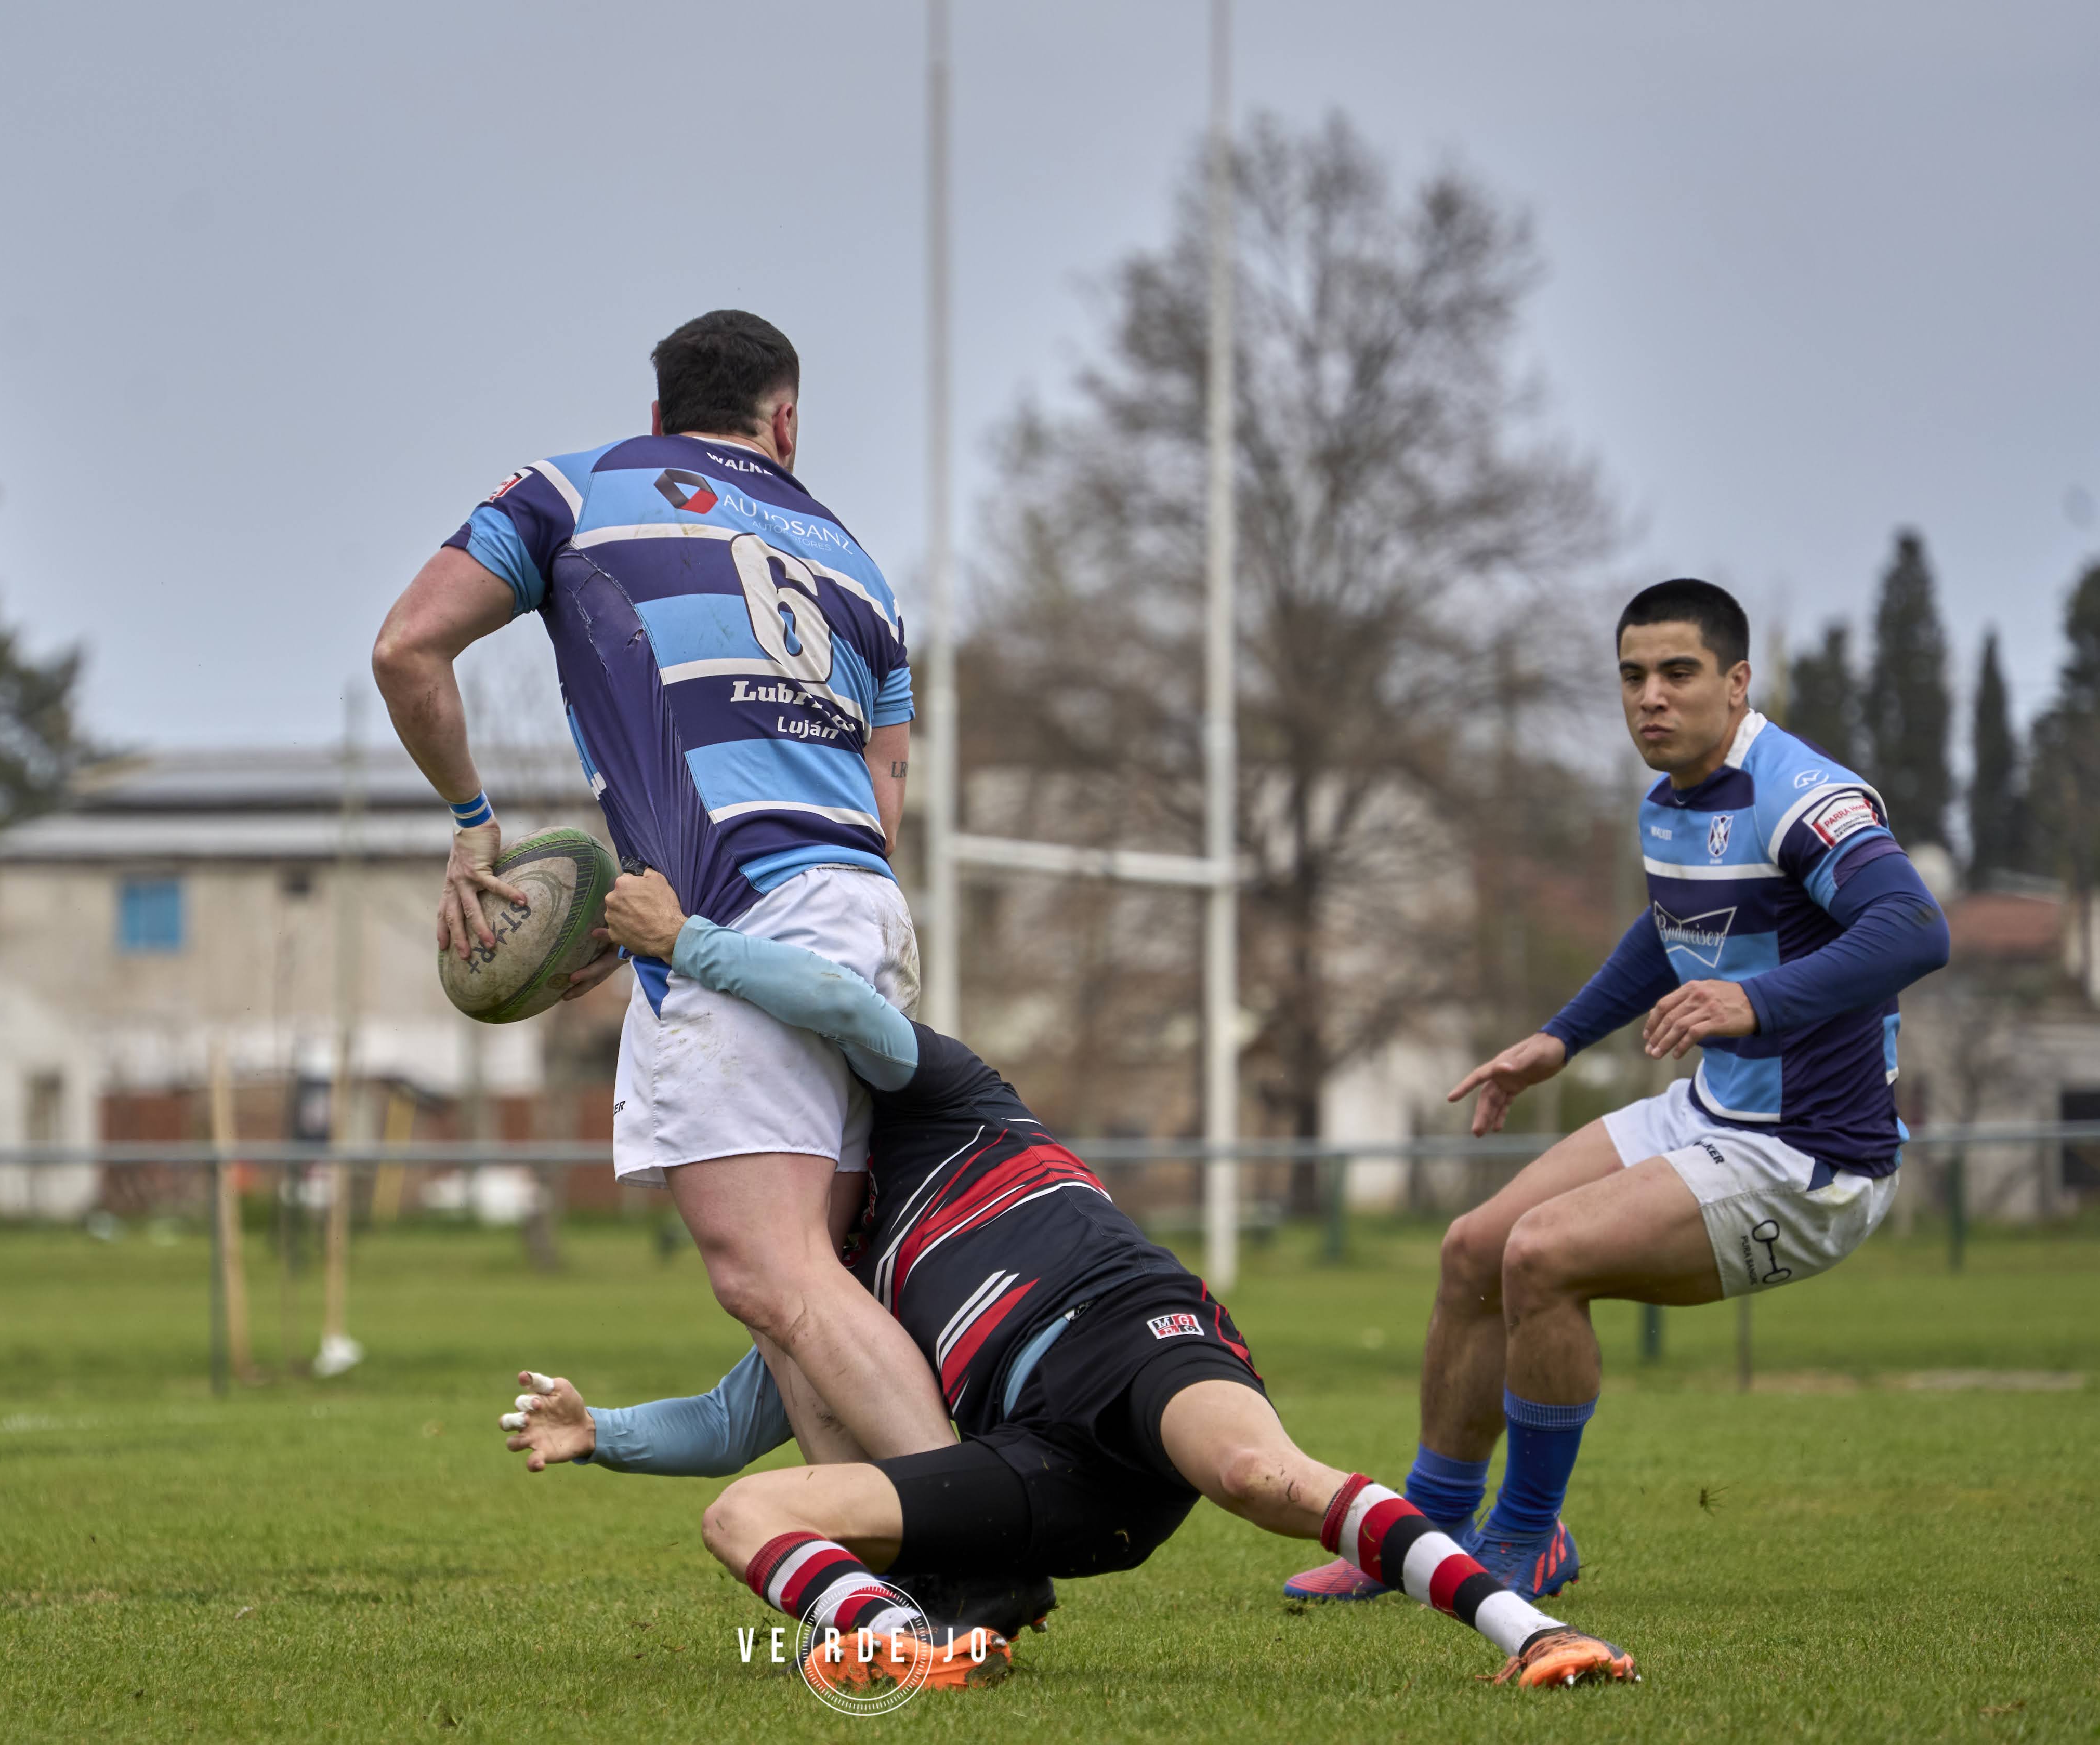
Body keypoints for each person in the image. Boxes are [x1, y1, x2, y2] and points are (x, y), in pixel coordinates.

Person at [498, 868, 1639, 1694]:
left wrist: (688, 943)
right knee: (741, 1513)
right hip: (1037, 1464)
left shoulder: (935, 1089)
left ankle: (1530, 1628)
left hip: (1135, 1335)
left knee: (1258, 1470)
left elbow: (845, 1007)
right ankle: (918, 1640)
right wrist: (600, 1430)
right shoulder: (823, 1264)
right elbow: (731, 1417)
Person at [1287, 579, 1950, 1604]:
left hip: (1810, 1153)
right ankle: (1427, 1529)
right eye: (1634, 675)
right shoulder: (1670, 802)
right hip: (1713, 1112)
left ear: (1737, 683)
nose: (1652, 695)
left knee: (1541, 1257)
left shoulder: (1807, 795)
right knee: (1473, 1247)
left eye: (1678, 672)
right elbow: (1667, 927)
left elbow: (1913, 927)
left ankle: (1528, 1536)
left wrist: (1754, 1002)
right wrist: (1559, 1037)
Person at [372, 311, 950, 1463]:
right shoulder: (860, 568)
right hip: (865, 922)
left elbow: (407, 647)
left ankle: (972, 1543)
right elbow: (882, 810)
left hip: (738, 918)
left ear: (658, 417)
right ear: (784, 421)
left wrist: (474, 825)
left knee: (780, 1284)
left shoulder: (575, 493)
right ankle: (899, 1597)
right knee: (804, 1309)